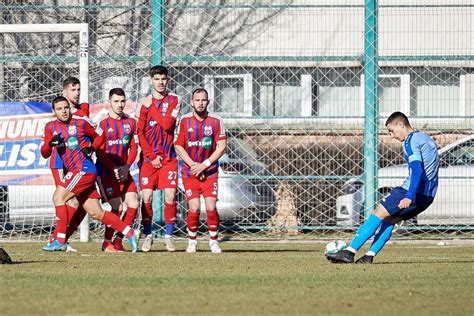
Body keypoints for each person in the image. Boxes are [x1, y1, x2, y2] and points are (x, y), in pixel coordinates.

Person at [327, 111, 439, 264]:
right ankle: (369, 256)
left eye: (391, 130)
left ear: (401, 124)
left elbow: (417, 169)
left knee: (377, 213)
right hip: (428, 196)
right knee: (389, 220)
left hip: (412, 190)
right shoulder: (426, 138)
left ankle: (349, 251)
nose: (392, 135)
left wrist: (409, 195)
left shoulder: (410, 140)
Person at [40, 96, 138, 252]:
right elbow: (45, 153)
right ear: (53, 111)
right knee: (95, 212)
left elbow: (101, 135)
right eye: (59, 109)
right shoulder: (50, 127)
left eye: (66, 107)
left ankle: (59, 240)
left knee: (58, 197)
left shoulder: (81, 123)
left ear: (70, 108)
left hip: (83, 169)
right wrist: (49, 143)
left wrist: (92, 148)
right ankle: (129, 232)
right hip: (77, 172)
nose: (64, 111)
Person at [174, 88, 227, 253]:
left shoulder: (216, 121)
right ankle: (192, 242)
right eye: (197, 100)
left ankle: (213, 241)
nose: (200, 103)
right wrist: (193, 166)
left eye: (203, 100)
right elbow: (178, 146)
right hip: (190, 173)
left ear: (208, 102)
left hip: (209, 172)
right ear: (191, 102)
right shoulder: (184, 120)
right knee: (194, 207)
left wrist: (204, 165)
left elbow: (222, 147)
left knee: (211, 206)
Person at [137, 65, 181, 252]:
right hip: (149, 159)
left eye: (163, 79)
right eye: (157, 79)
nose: (160, 82)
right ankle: (148, 235)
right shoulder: (143, 103)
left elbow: (166, 124)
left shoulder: (175, 100)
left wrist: (151, 107)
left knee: (170, 196)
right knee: (146, 197)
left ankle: (169, 237)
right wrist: (151, 156)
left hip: (168, 158)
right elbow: (140, 132)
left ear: (167, 80)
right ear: (151, 80)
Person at [46, 77, 89, 251]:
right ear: (64, 93)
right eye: (73, 90)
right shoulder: (60, 112)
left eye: (78, 89)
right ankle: (58, 239)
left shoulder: (83, 110)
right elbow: (49, 138)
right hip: (60, 162)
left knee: (82, 205)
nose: (77, 93)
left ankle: (60, 238)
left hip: (79, 163)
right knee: (68, 201)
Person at [96, 88, 140, 253]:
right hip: (106, 172)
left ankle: (118, 240)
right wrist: (113, 167)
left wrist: (126, 167)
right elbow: (99, 152)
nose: (120, 105)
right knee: (117, 206)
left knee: (134, 203)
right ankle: (106, 242)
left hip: (124, 170)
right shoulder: (102, 124)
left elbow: (135, 147)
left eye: (122, 101)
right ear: (109, 102)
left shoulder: (131, 123)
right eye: (116, 101)